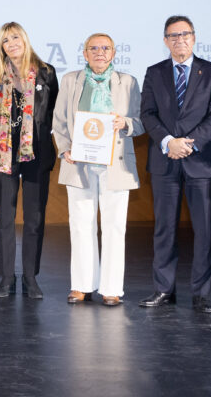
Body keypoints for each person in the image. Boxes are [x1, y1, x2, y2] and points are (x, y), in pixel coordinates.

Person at [139, 15, 211, 313]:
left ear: (194, 37)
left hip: (201, 162)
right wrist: (168, 142)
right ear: (165, 40)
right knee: (164, 229)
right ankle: (164, 290)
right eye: (173, 36)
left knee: (204, 230)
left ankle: (201, 294)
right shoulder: (154, 73)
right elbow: (148, 114)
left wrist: (188, 143)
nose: (180, 40)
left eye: (185, 34)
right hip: (165, 162)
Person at [52, 33, 143, 306]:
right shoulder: (70, 80)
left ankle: (112, 288)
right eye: (94, 48)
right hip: (78, 162)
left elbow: (140, 122)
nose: (100, 52)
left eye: (105, 48)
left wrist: (124, 122)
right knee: (80, 225)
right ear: (85, 53)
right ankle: (81, 285)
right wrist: (65, 147)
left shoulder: (128, 82)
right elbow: (59, 121)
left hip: (117, 163)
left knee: (115, 227)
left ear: (114, 52)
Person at [0, 22, 59, 300]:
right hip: (3, 154)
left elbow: (50, 112)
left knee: (34, 219)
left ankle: (30, 277)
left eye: (15, 37)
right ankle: (6, 278)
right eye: (5, 40)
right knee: (4, 218)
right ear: (1, 46)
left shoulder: (46, 72)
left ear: (25, 39)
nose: (11, 43)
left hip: (36, 154)